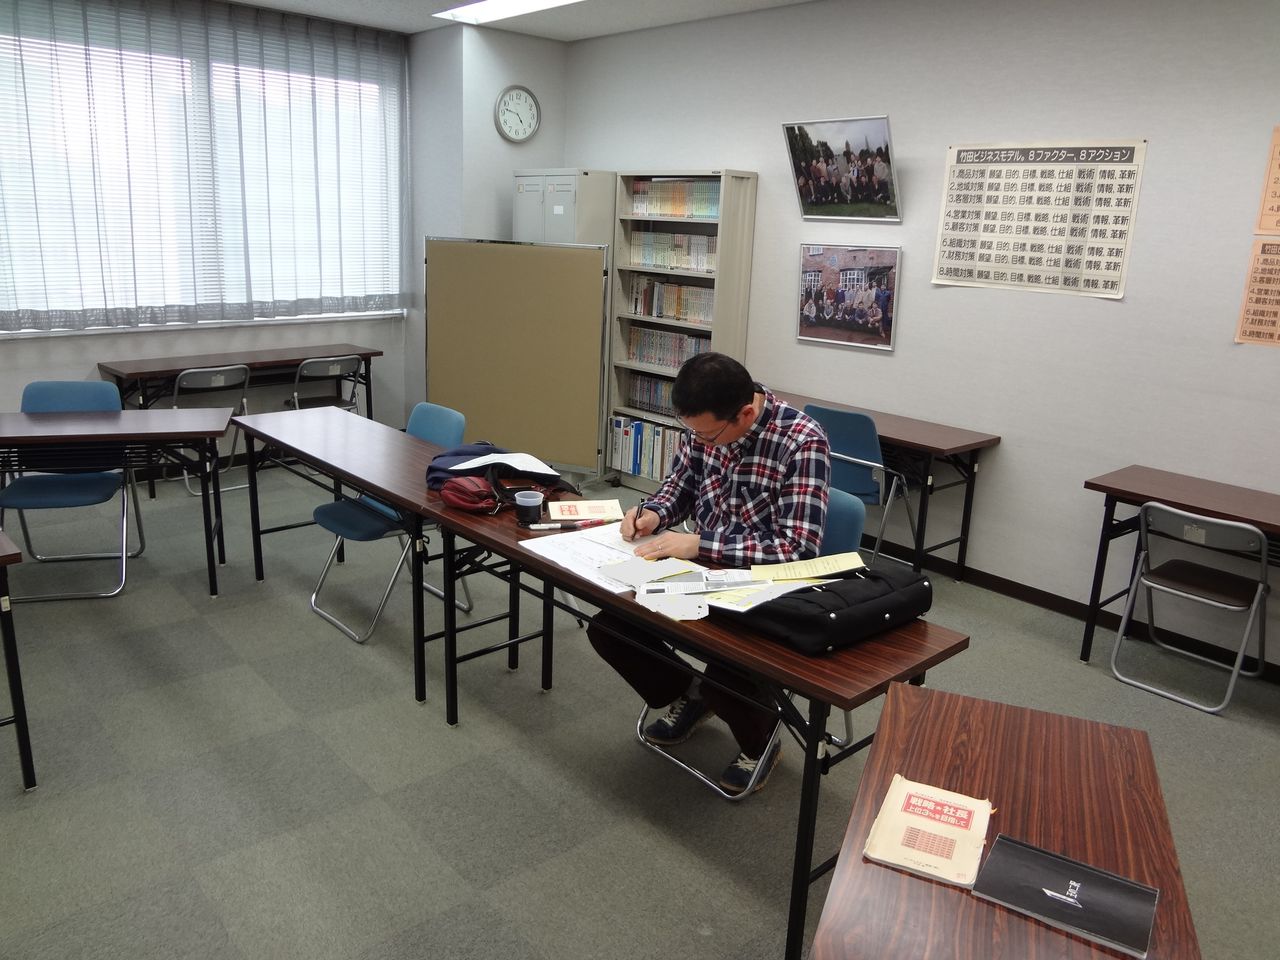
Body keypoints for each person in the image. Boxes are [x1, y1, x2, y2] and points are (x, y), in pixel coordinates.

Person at [586, 353, 830, 796]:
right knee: (611, 628)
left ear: (746, 414)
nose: (699, 441)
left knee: (727, 669)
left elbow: (797, 550)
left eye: (705, 434)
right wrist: (653, 513)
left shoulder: (801, 441)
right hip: (699, 570)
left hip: (762, 587)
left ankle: (760, 743)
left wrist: (701, 544)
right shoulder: (705, 426)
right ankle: (692, 693)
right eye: (692, 431)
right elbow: (680, 486)